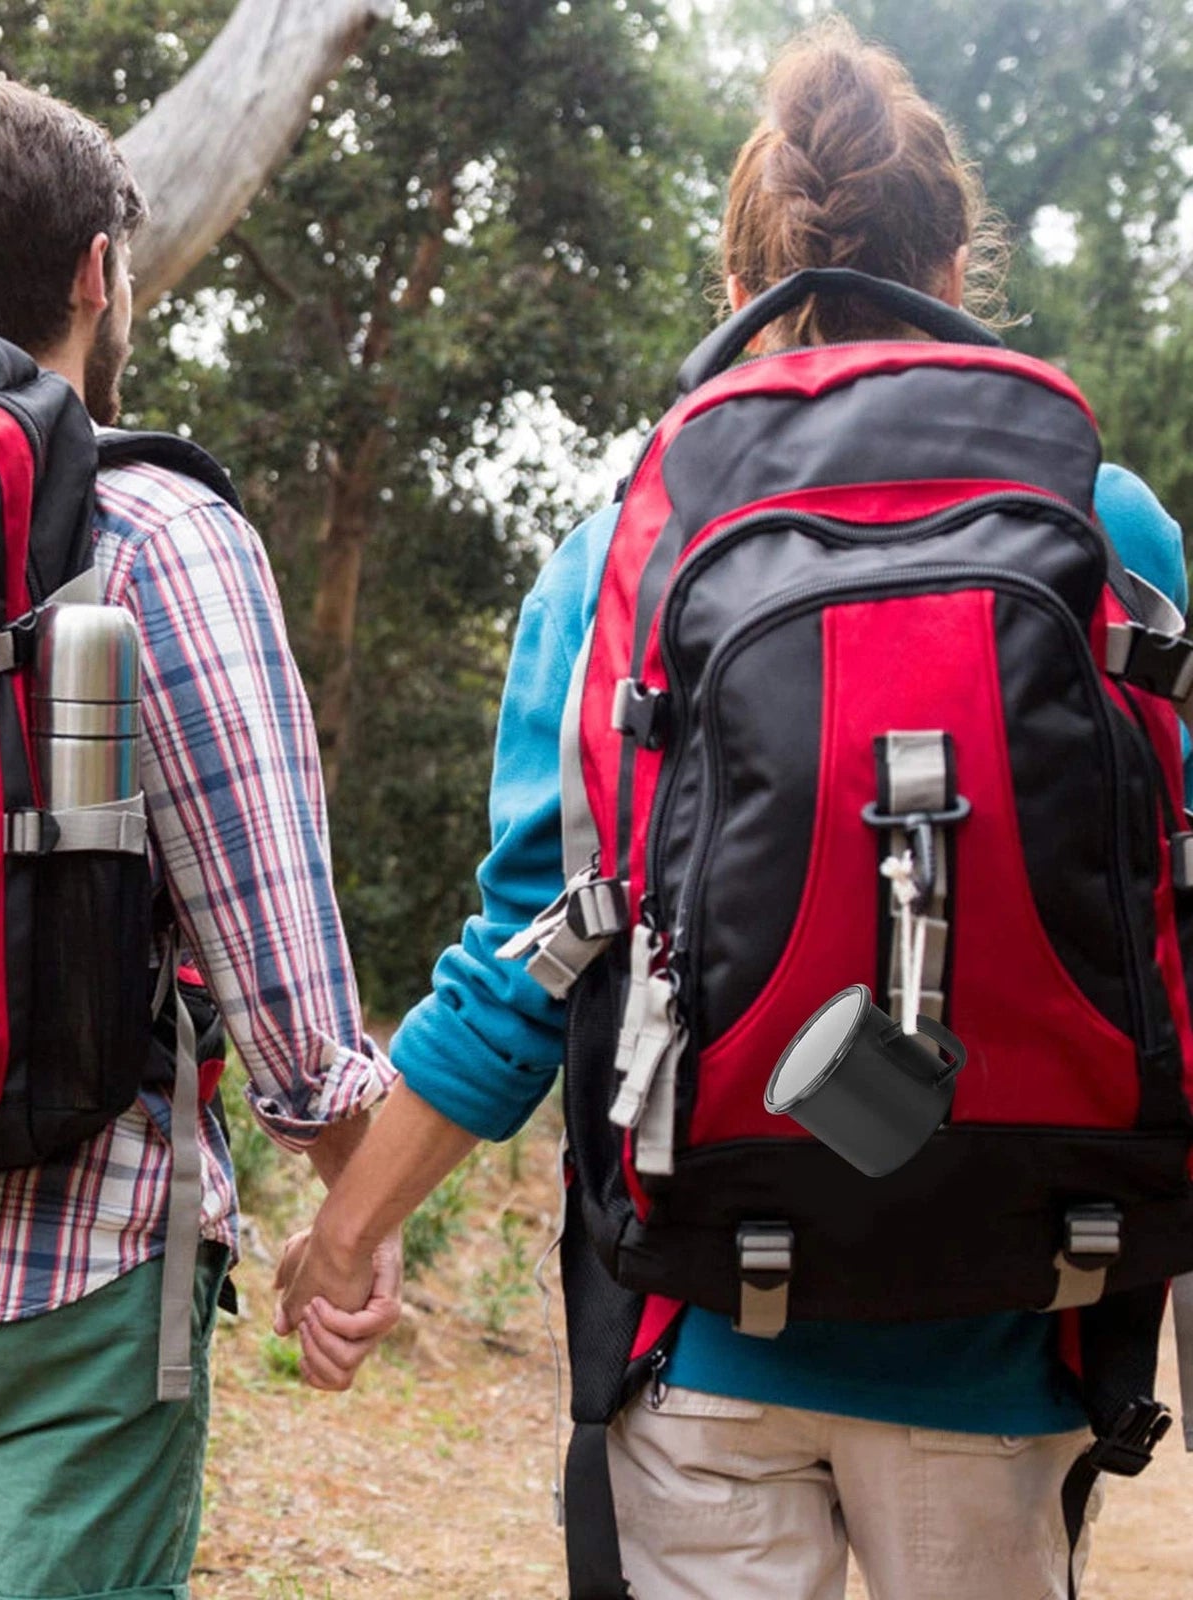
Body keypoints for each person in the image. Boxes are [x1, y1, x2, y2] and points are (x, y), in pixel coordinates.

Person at [275, 18, 1188, 1598]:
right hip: (1016, 1317)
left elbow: (529, 959)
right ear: (958, 264)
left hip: (705, 1324)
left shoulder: (626, 539)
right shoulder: (1106, 527)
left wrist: (348, 1232)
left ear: (741, 281)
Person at [0, 80, 400, 1600]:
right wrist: (354, 1192)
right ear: (98, 271)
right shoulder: (157, 531)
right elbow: (274, 952)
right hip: (79, 1244)